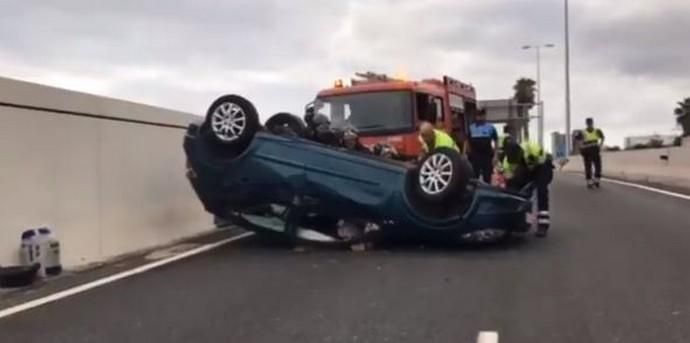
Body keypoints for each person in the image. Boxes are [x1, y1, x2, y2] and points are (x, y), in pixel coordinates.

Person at [500, 139, 554, 237]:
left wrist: (534, 180)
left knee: (541, 191)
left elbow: (541, 161)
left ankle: (543, 225)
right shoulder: (507, 162)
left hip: (541, 166)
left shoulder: (531, 148)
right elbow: (508, 179)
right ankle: (520, 220)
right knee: (519, 193)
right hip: (525, 169)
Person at [468, 109, 499, 183]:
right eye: (478, 116)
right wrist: (466, 154)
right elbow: (467, 141)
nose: (479, 118)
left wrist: (496, 155)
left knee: (487, 177)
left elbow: (496, 141)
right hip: (475, 156)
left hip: (487, 156)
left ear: (484, 116)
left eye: (481, 116)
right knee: (474, 177)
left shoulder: (490, 127)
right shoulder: (471, 128)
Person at [580, 117, 605, 188]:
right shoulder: (583, 132)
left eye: (590, 122)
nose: (589, 124)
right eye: (588, 123)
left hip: (594, 149)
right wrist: (582, 146)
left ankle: (596, 179)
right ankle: (590, 181)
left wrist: (600, 145)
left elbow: (602, 137)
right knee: (589, 166)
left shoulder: (597, 131)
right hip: (587, 150)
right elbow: (579, 140)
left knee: (597, 165)